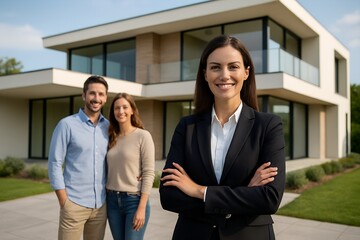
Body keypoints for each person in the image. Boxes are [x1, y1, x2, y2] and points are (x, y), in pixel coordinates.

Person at [159, 35, 285, 240]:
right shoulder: (187, 127)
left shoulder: (268, 126)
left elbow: (269, 198)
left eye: (233, 67)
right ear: (205, 74)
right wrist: (243, 195)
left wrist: (200, 191)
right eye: (216, 67)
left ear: (246, 72)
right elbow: (169, 196)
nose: (224, 75)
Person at [48, 75, 109, 240]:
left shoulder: (109, 127)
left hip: (100, 207)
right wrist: (64, 202)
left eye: (101, 94)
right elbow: (54, 163)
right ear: (84, 95)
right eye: (92, 93)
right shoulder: (66, 125)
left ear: (105, 98)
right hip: (73, 204)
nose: (96, 98)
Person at [106, 93, 155, 240]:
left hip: (134, 201)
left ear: (132, 110)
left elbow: (149, 172)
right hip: (112, 201)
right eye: (117, 108)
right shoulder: (110, 136)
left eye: (125, 107)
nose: (121, 111)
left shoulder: (143, 136)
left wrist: (141, 207)